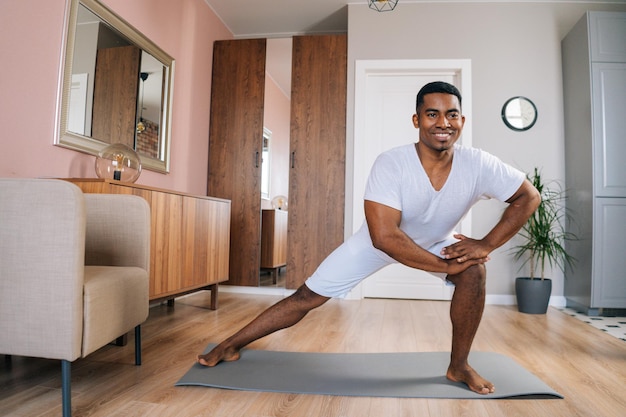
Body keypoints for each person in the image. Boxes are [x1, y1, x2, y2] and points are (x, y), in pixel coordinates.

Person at [197, 81, 541, 395]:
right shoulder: (392, 163)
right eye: (432, 114)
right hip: (378, 242)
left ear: (462, 121)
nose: (443, 123)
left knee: (474, 272)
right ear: (416, 119)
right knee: (306, 296)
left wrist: (484, 245)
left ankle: (459, 366)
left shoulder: (479, 163)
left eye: (451, 114)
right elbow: (384, 237)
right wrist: (445, 265)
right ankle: (230, 343)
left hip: (436, 240)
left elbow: (529, 196)